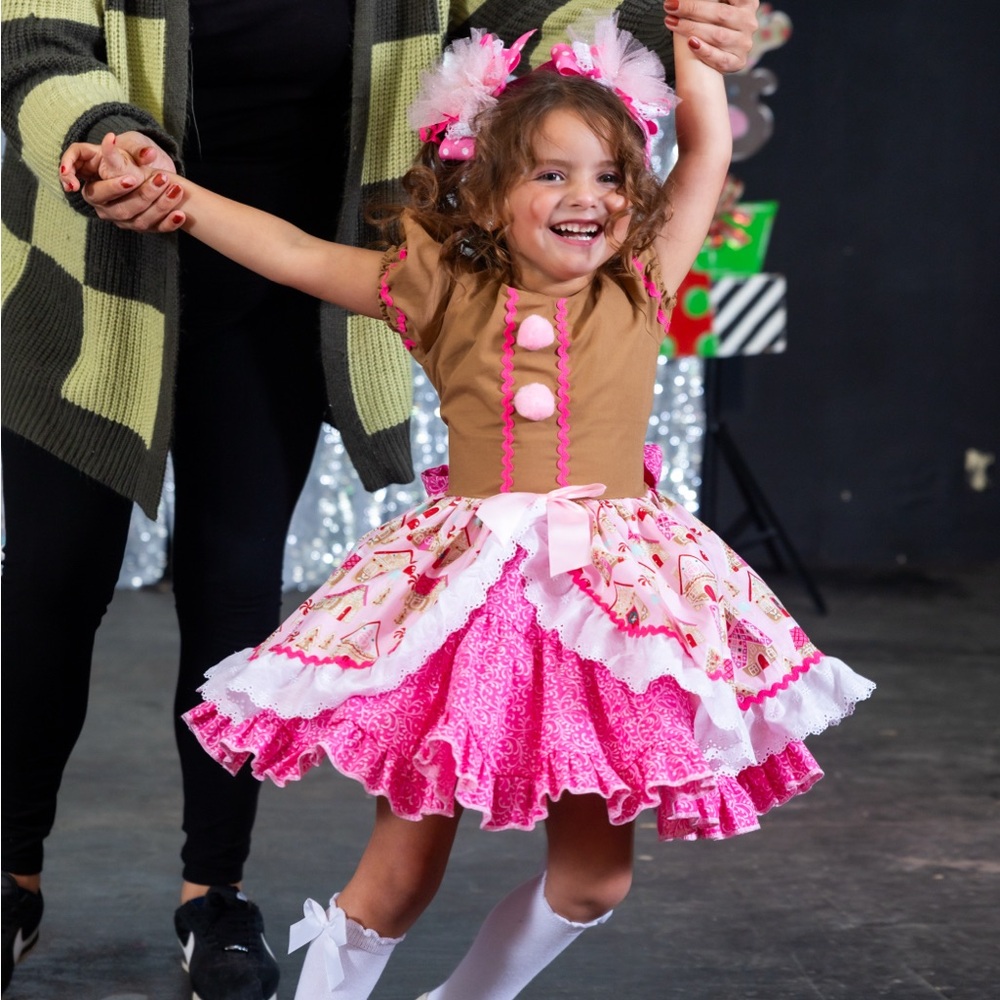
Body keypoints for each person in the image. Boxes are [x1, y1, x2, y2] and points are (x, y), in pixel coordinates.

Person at [61, 9, 874, 999]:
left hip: (608, 620)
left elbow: (703, 148)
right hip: (468, 617)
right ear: (487, 197)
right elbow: (290, 249)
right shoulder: (439, 289)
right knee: (399, 877)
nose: (589, 197)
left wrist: (692, 35)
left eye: (611, 176)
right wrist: (180, 197)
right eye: (551, 173)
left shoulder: (640, 286)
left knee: (593, 879)